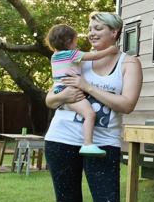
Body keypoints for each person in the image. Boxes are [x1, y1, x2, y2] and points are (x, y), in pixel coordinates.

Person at [44, 12, 143, 202]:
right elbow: (51, 98)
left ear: (115, 32)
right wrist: (64, 97)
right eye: (90, 28)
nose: (92, 32)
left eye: (99, 28)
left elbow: (126, 104)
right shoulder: (74, 57)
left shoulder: (129, 63)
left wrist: (87, 88)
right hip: (62, 139)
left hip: (104, 144)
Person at [45, 23, 119, 156]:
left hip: (59, 88)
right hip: (70, 89)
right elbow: (94, 56)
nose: (76, 44)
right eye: (75, 40)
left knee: (84, 112)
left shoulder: (55, 56)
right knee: (89, 114)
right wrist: (111, 50)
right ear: (68, 41)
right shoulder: (71, 54)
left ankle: (87, 143)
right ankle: (88, 144)